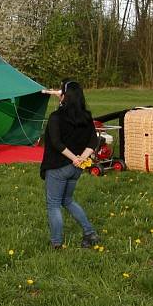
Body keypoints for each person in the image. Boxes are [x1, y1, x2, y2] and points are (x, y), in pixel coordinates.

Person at [39, 80, 100, 249]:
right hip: (76, 168)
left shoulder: (56, 117)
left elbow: (57, 143)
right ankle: (90, 233)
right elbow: (93, 140)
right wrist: (80, 159)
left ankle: (56, 242)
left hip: (59, 166)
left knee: (54, 204)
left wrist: (74, 158)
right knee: (67, 200)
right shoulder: (86, 117)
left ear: (65, 96)